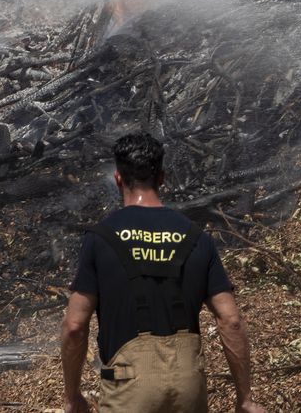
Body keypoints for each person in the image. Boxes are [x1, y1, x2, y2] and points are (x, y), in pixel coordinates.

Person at [61, 133, 265, 413]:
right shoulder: (197, 238)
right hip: (188, 386)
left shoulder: (100, 239)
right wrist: (245, 398)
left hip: (128, 388)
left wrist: (73, 396)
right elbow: (232, 321)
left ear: (118, 178)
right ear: (162, 178)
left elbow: (74, 327)